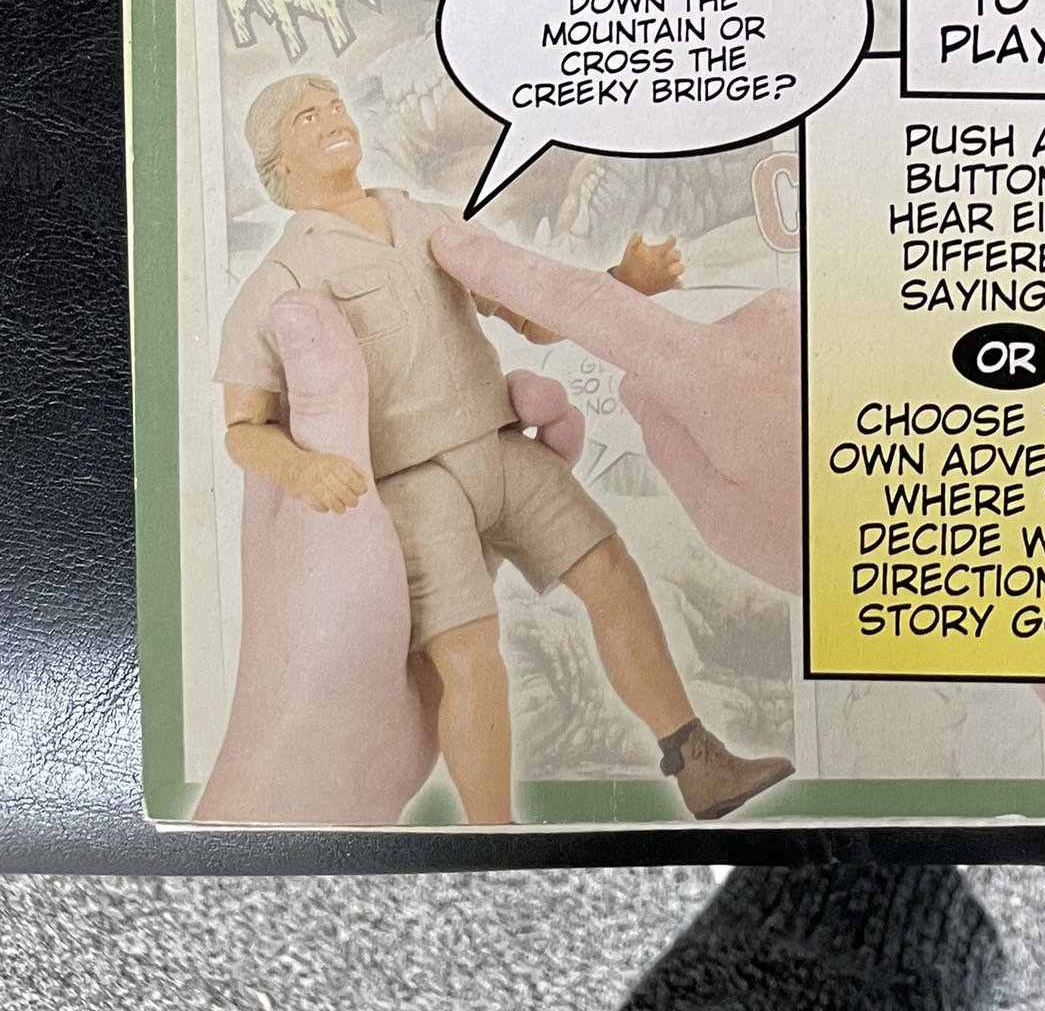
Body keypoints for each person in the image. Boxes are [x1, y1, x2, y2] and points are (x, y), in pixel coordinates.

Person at [212, 72, 789, 825]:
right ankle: (493, 834)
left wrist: (623, 283)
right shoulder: (283, 275)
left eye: (335, 104)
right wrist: (304, 466)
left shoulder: (426, 220)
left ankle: (696, 760)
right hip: (411, 485)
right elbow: (243, 428)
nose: (332, 118)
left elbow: (530, 311)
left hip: (500, 444)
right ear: (279, 164)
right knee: (469, 655)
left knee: (611, 572)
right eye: (307, 117)